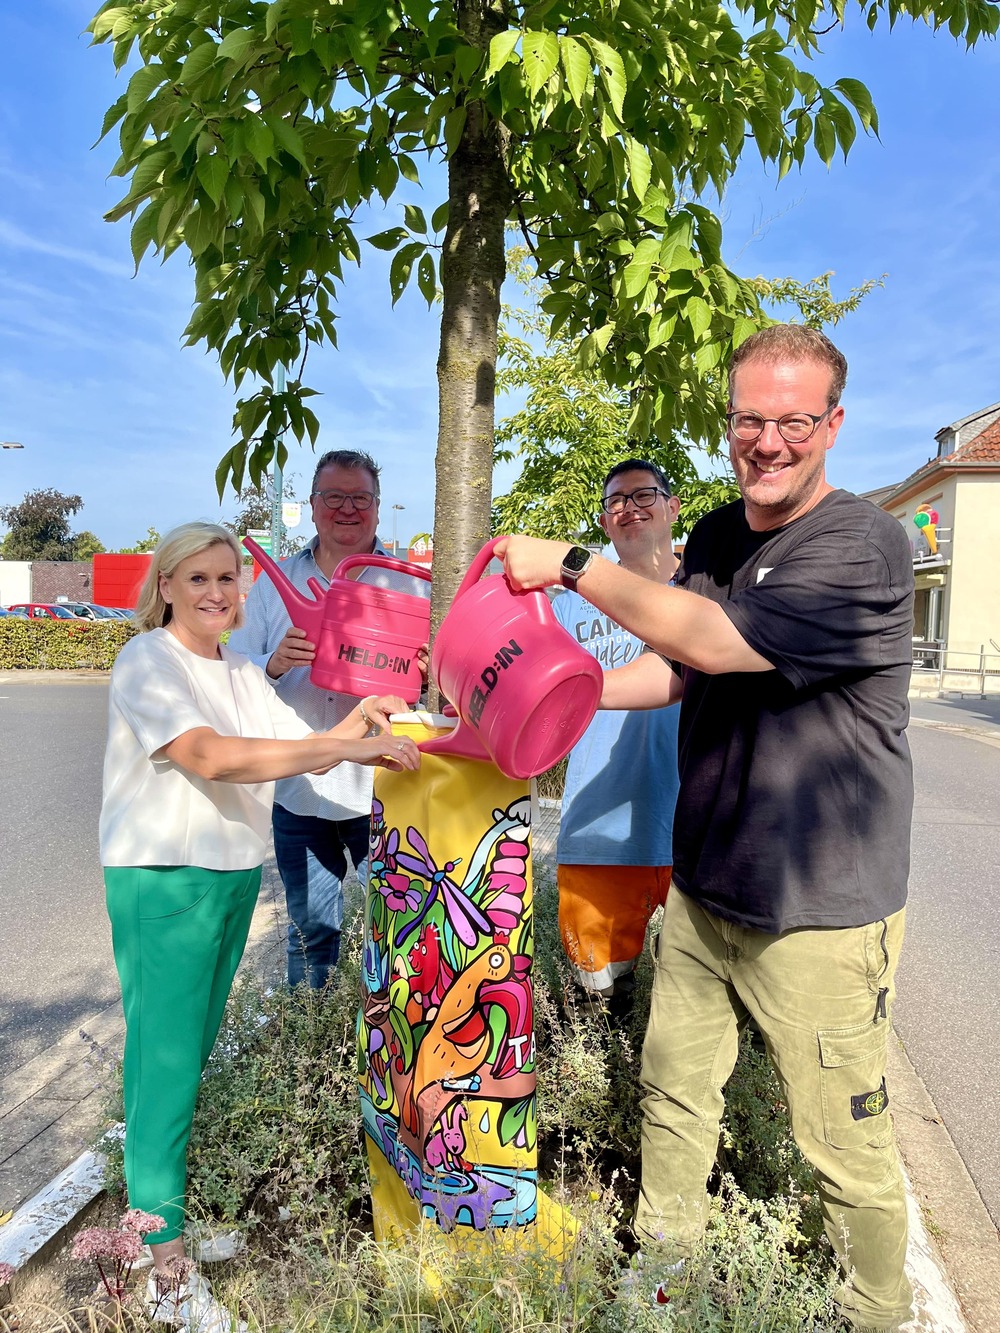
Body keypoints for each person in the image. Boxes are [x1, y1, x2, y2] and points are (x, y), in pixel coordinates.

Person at [495, 325, 915, 1332]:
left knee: (841, 1145)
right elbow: (676, 668)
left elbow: (718, 641)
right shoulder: (722, 536)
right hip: (705, 886)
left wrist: (567, 564)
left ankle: (874, 1309)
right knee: (672, 1094)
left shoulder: (861, 544)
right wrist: (568, 690)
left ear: (832, 424)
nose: (766, 442)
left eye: (791, 422)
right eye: (747, 421)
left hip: (817, 906)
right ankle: (662, 1283)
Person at [100, 522, 419, 1331]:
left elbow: (307, 746)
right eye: (198, 577)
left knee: (185, 1059)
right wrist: (341, 745)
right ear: (165, 584)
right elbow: (210, 756)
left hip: (231, 876)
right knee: (164, 1067)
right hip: (166, 878)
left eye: (229, 579)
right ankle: (162, 1274)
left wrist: (369, 728)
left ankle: (157, 1227)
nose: (217, 592)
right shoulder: (148, 660)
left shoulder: (240, 669)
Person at [229, 449, 430, 989]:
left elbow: (441, 680)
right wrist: (273, 662)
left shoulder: (413, 585)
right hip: (302, 792)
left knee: (400, 932)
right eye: (333, 497)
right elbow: (234, 665)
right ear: (313, 506)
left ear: (378, 508)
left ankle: (390, 1052)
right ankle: (310, 1051)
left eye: (359, 498)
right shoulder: (275, 582)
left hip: (386, 789)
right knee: (312, 934)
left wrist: (431, 675)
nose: (347, 508)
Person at [553, 459, 680, 1014]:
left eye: (644, 495)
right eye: (615, 502)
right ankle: (607, 1097)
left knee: (703, 1000)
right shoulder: (569, 603)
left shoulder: (707, 590)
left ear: (673, 507)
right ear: (604, 524)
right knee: (600, 1002)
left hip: (698, 829)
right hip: (598, 825)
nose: (629, 507)